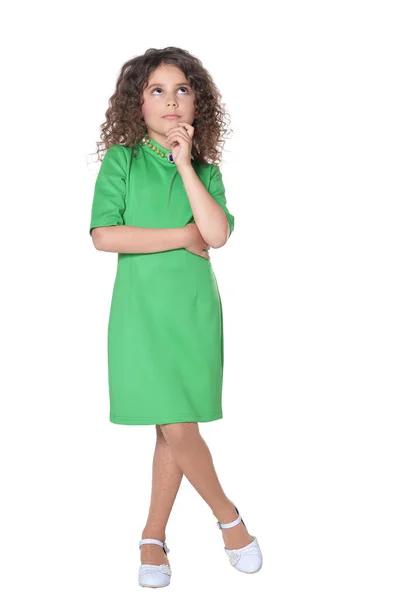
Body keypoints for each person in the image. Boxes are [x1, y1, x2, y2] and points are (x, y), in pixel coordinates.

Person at [88, 47, 262, 588]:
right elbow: (104, 235)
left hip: (192, 312)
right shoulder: (122, 160)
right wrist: (179, 237)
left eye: (181, 89)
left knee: (173, 425)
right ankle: (230, 520)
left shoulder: (205, 169)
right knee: (176, 423)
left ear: (197, 102)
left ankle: (152, 537)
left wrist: (185, 163)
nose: (170, 101)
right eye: (156, 90)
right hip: (141, 315)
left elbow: (216, 234)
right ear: (135, 103)